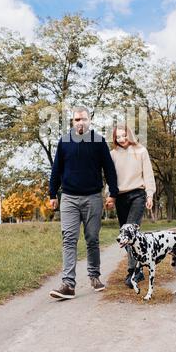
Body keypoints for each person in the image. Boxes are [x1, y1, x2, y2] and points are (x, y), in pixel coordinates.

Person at [49, 106, 118, 300]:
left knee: (92, 239)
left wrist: (112, 193)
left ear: (89, 120)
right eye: (77, 119)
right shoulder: (64, 141)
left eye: (84, 119)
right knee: (69, 239)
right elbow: (56, 169)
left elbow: (109, 169)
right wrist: (52, 194)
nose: (80, 122)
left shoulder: (98, 141)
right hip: (69, 198)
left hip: (93, 197)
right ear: (72, 122)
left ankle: (94, 276)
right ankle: (68, 284)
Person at [108, 124, 156, 288]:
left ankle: (133, 272)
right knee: (125, 235)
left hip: (138, 194)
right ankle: (139, 268)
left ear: (130, 135)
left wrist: (149, 195)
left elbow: (148, 174)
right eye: (118, 137)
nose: (121, 139)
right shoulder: (112, 155)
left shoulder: (141, 151)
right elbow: (111, 177)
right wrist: (110, 196)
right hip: (121, 197)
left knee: (129, 232)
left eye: (124, 135)